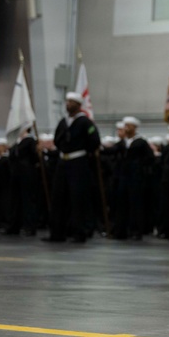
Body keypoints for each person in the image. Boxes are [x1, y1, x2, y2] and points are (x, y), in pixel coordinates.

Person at [45, 92, 101, 243]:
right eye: (67, 101)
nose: (68, 104)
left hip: (78, 162)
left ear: (78, 105)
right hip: (63, 162)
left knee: (78, 199)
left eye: (71, 102)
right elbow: (57, 139)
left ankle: (79, 232)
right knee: (58, 198)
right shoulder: (64, 122)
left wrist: (84, 152)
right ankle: (57, 233)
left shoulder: (85, 122)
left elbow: (94, 140)